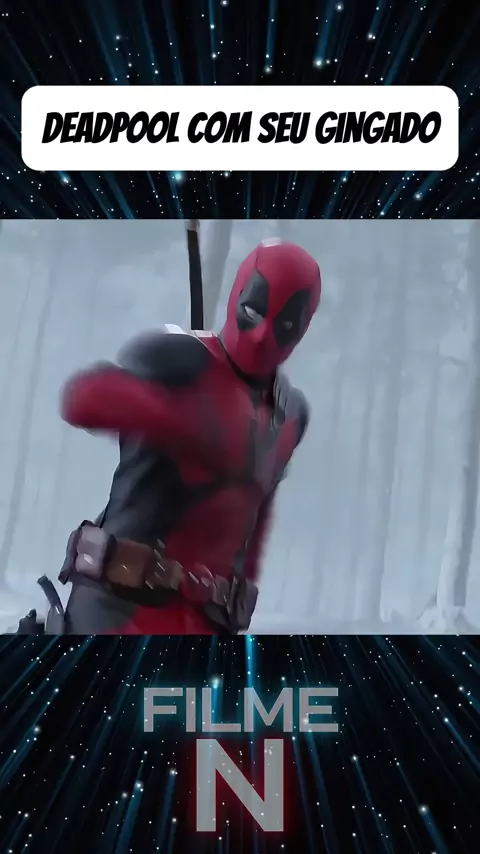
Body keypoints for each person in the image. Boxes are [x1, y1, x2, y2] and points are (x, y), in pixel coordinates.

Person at [19, 238, 321, 635]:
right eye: (253, 311)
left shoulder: (290, 416)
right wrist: (177, 418)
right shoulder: (178, 360)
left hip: (204, 627)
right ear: (237, 296)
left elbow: (253, 524)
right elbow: (83, 399)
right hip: (118, 610)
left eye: (285, 326)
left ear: (303, 328)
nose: (263, 335)